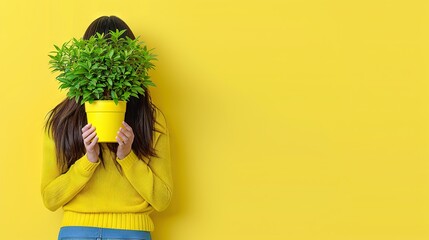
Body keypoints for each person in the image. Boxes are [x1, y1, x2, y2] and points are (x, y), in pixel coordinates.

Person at [41, 16, 172, 240]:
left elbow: (163, 200)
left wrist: (127, 157)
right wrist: (88, 160)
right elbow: (50, 199)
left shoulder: (150, 119)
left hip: (131, 233)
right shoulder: (62, 119)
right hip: (77, 232)